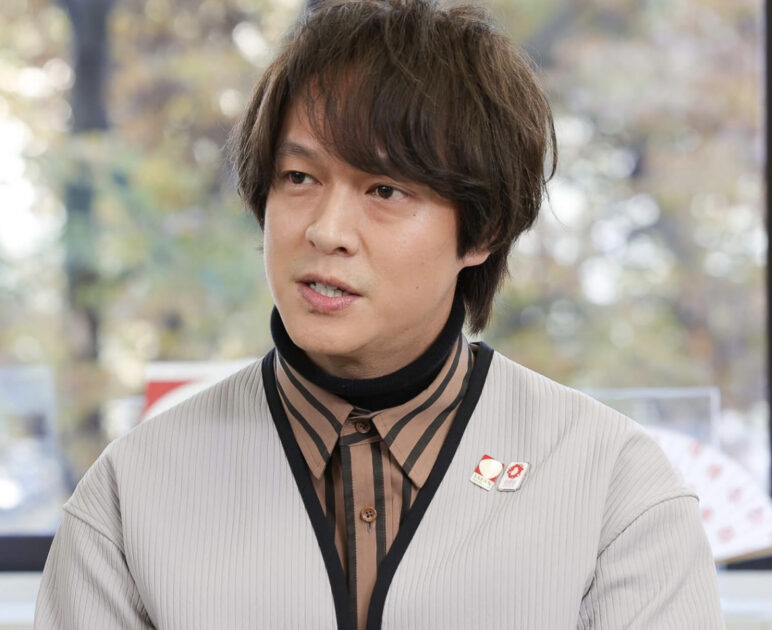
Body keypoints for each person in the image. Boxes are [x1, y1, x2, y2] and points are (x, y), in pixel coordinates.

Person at [35, 0, 724, 628]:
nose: (326, 230)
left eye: (385, 189)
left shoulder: (612, 485)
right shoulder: (134, 491)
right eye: (299, 177)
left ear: (482, 230)